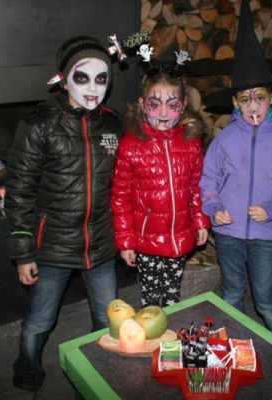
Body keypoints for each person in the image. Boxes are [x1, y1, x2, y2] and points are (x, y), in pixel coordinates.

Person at [5, 36, 122, 394]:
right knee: (40, 319)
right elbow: (20, 189)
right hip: (52, 244)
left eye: (101, 78)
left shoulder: (112, 125)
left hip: (99, 242)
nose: (92, 87)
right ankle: (27, 374)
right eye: (82, 77)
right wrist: (23, 251)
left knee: (106, 318)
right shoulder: (39, 123)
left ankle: (93, 371)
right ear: (64, 78)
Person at [199, 0, 272, 345]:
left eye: (258, 97)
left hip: (265, 234)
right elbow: (209, 180)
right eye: (244, 99)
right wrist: (214, 207)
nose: (251, 106)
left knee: (266, 300)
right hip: (228, 231)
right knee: (233, 294)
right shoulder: (224, 139)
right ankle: (239, 347)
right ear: (234, 103)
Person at [111, 52, 211, 307]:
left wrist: (200, 221)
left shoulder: (190, 143)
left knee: (172, 296)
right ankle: (152, 334)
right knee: (151, 299)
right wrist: (126, 241)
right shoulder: (131, 145)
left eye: (172, 104)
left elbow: (197, 187)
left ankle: (169, 335)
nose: (164, 113)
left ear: (184, 104)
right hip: (146, 240)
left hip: (178, 237)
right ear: (143, 104)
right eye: (155, 104)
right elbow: (120, 197)